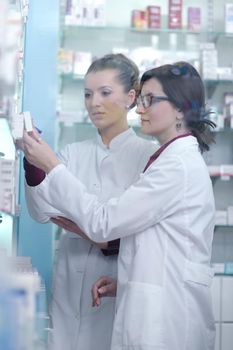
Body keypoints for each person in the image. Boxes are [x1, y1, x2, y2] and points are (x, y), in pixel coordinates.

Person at [20, 61, 216, 350]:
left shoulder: (177, 166)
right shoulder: (169, 160)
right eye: (88, 94)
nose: (140, 109)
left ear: (179, 107)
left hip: (166, 320)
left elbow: (103, 224)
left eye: (149, 100)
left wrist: (51, 164)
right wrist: (127, 283)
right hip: (132, 301)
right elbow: (156, 245)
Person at [21, 54, 156, 350]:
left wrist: (96, 231)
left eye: (105, 93)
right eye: (87, 94)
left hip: (115, 285)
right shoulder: (72, 153)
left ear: (130, 97)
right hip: (68, 281)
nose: (94, 102)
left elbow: (121, 234)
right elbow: (43, 211)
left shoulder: (147, 157)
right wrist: (33, 164)